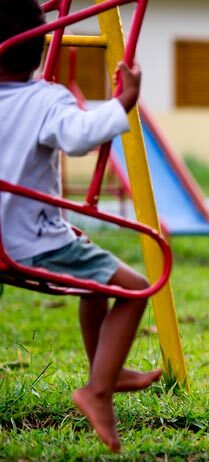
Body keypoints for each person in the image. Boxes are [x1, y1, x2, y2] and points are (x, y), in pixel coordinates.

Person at [0, 0, 160, 453]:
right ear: (37, 48)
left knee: (93, 276)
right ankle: (97, 390)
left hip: (3, 244)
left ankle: (104, 369)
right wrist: (123, 103)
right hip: (33, 243)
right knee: (135, 288)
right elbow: (78, 138)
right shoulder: (43, 98)